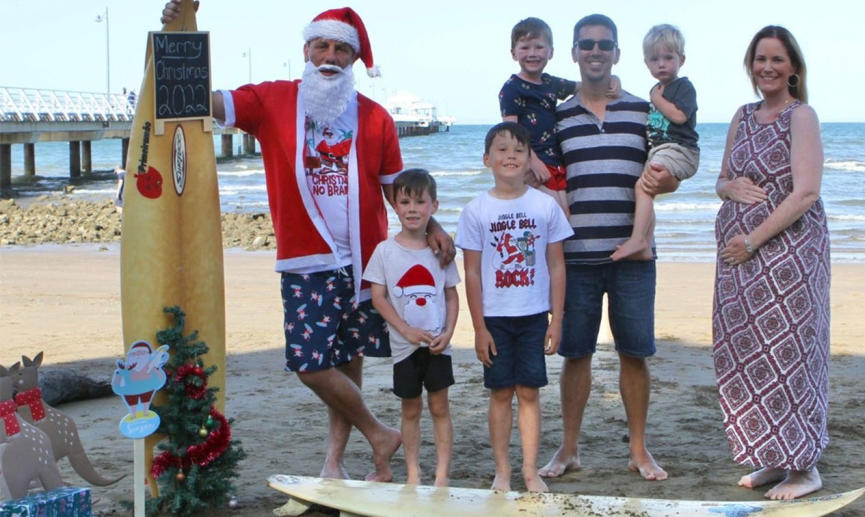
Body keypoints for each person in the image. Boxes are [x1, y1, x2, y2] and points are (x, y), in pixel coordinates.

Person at [159, 1, 455, 498]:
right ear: (306, 50)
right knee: (309, 361)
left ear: (354, 60)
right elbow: (201, 99)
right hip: (307, 259)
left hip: (364, 260)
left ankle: (335, 463)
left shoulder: (376, 118)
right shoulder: (271, 101)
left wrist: (436, 227)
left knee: (348, 360)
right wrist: (178, 38)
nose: (330, 56)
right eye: (322, 45)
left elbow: (396, 192)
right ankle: (380, 434)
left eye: (342, 48)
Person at [538, 14, 677, 482]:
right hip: (574, 259)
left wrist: (669, 179)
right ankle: (569, 448)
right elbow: (538, 177)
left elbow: (670, 171)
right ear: (574, 53)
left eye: (604, 45)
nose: (595, 51)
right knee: (575, 354)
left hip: (634, 257)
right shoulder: (557, 117)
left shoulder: (645, 109)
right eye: (586, 45)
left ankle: (639, 450)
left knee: (634, 353)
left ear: (617, 53)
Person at [713, 25, 829, 501]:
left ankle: (804, 468)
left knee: (789, 352)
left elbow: (806, 192)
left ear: (794, 68)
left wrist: (753, 240)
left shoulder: (801, 116)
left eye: (777, 59)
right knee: (748, 352)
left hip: (788, 255)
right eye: (760, 59)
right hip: (740, 261)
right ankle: (770, 454)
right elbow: (721, 177)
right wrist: (728, 189)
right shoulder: (742, 115)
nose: (767, 67)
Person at [455, 122, 573, 492]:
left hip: (534, 314)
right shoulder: (475, 210)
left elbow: (556, 264)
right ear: (487, 159)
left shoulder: (545, 206)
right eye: (502, 150)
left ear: (528, 160)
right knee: (501, 392)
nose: (510, 156)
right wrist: (479, 328)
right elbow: (471, 273)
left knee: (530, 393)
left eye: (519, 150)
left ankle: (529, 470)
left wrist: (557, 319)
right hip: (495, 317)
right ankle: (503, 471)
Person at [362, 169, 460, 487]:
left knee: (440, 407)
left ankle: (442, 474)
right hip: (405, 348)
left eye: (421, 201)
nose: (413, 209)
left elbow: (451, 295)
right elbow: (378, 298)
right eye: (405, 202)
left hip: (437, 345)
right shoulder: (385, 251)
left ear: (434, 206)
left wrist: (449, 332)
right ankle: (414, 474)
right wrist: (405, 330)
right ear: (395, 205)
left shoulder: (440, 251)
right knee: (411, 409)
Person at [499, 17, 618, 218]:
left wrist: (613, 80)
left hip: (556, 162)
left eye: (539, 47)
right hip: (535, 163)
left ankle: (558, 251)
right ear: (513, 53)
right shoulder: (511, 89)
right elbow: (512, 134)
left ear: (551, 52)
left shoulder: (550, 83)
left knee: (566, 215)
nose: (533, 54)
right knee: (558, 216)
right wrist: (531, 162)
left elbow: (584, 85)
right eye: (525, 48)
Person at [610, 24, 699, 261]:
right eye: (654, 59)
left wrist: (657, 99)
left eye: (668, 58)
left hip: (680, 149)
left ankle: (639, 239)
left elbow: (680, 116)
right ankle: (646, 244)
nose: (661, 64)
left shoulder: (682, 87)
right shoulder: (657, 89)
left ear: (681, 59)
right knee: (646, 191)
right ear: (646, 63)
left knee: (642, 186)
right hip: (662, 150)